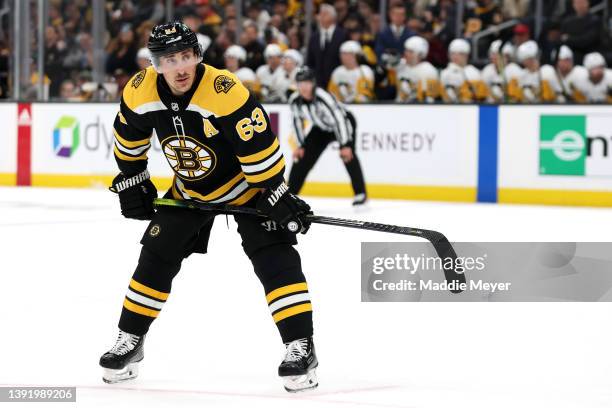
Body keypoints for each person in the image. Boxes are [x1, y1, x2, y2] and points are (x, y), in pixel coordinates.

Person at [99, 22, 319, 393]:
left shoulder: (224, 90)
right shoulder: (139, 90)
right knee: (155, 255)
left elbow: (259, 145)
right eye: (170, 59)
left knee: (274, 256)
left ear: (198, 56)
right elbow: (128, 138)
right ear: (155, 64)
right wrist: (133, 178)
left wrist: (275, 193)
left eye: (187, 56)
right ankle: (129, 341)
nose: (180, 67)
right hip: (189, 190)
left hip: (245, 188)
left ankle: (301, 346)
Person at [287, 67, 367, 206]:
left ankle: (360, 193)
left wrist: (345, 144)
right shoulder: (295, 101)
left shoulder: (323, 96)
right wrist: (301, 145)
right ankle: (289, 194)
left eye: (307, 83)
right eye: (300, 84)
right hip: (321, 128)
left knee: (348, 155)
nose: (304, 87)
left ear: (313, 83)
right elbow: (297, 122)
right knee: (302, 157)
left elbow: (340, 119)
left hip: (343, 123)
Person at [306, 4, 347, 88]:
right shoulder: (314, 37)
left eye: (324, 14)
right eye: (320, 14)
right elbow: (310, 62)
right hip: (318, 84)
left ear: (333, 17)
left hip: (338, 82)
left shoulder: (343, 35)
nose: (320, 16)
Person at [395, 36, 440, 103]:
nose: (406, 54)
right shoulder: (401, 67)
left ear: (420, 54)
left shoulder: (429, 70)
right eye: (406, 50)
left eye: (410, 51)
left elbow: (431, 98)